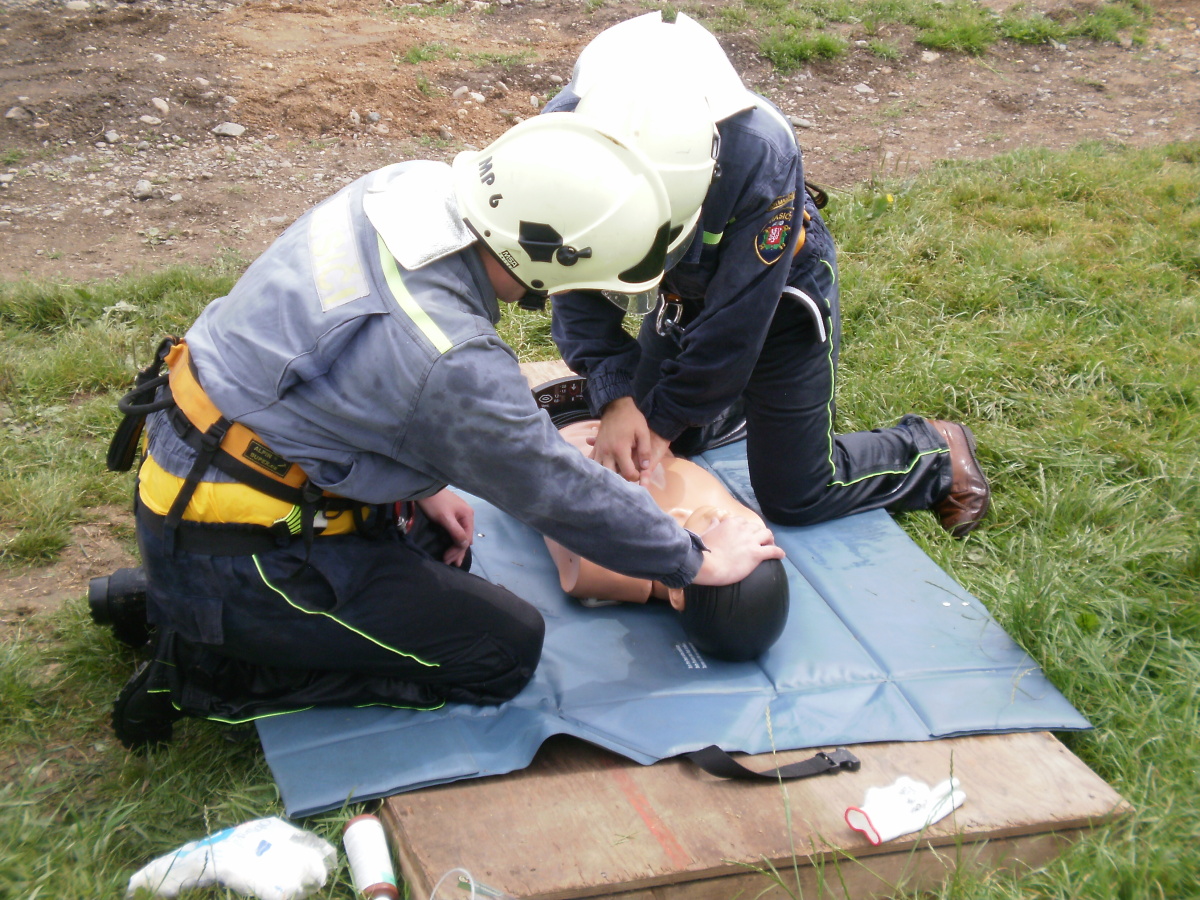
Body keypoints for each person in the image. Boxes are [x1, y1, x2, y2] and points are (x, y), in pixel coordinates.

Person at [109, 113, 784, 750]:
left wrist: (422, 485)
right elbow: (555, 489)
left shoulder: (405, 187)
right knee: (500, 649)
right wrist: (693, 559)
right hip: (240, 533)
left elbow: (338, 353)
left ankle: (199, 602)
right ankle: (208, 664)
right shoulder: (450, 361)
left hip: (210, 456)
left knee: (439, 545)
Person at [544, 13, 991, 536]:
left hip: (776, 297)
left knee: (797, 494)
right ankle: (737, 406)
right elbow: (569, 275)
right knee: (656, 426)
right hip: (680, 294)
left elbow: (737, 325)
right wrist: (617, 398)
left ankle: (935, 453)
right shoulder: (566, 135)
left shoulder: (761, 152)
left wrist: (660, 425)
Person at [543, 412, 790, 662]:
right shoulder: (745, 524)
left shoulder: (603, 563)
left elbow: (548, 486)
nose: (728, 519)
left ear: (677, 593)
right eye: (741, 535)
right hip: (649, 416)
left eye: (721, 550)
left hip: (559, 422)